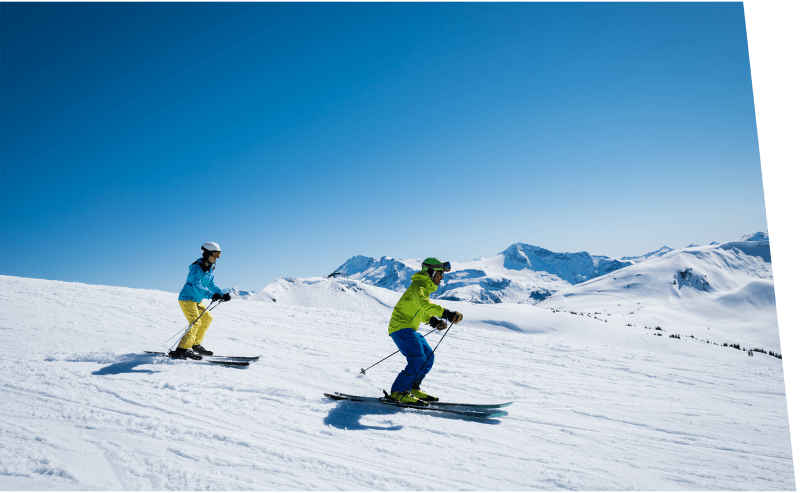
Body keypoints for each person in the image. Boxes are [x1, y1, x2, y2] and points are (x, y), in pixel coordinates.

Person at [386, 258, 464, 404]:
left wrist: (433, 321)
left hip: (409, 328)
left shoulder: (424, 288)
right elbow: (424, 304)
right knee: (418, 358)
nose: (442, 277)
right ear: (431, 272)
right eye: (440, 273)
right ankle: (398, 392)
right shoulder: (418, 286)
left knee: (428, 356)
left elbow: (420, 310)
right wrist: (447, 314)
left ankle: (413, 387)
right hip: (400, 327)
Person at [170, 242, 231, 360]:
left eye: (217, 256)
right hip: (187, 299)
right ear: (206, 254)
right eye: (213, 255)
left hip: (196, 301)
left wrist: (222, 295)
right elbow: (196, 285)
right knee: (195, 322)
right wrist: (211, 295)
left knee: (207, 318)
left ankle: (195, 345)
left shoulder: (209, 269)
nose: (215, 258)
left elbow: (210, 284)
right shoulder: (196, 268)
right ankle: (182, 349)